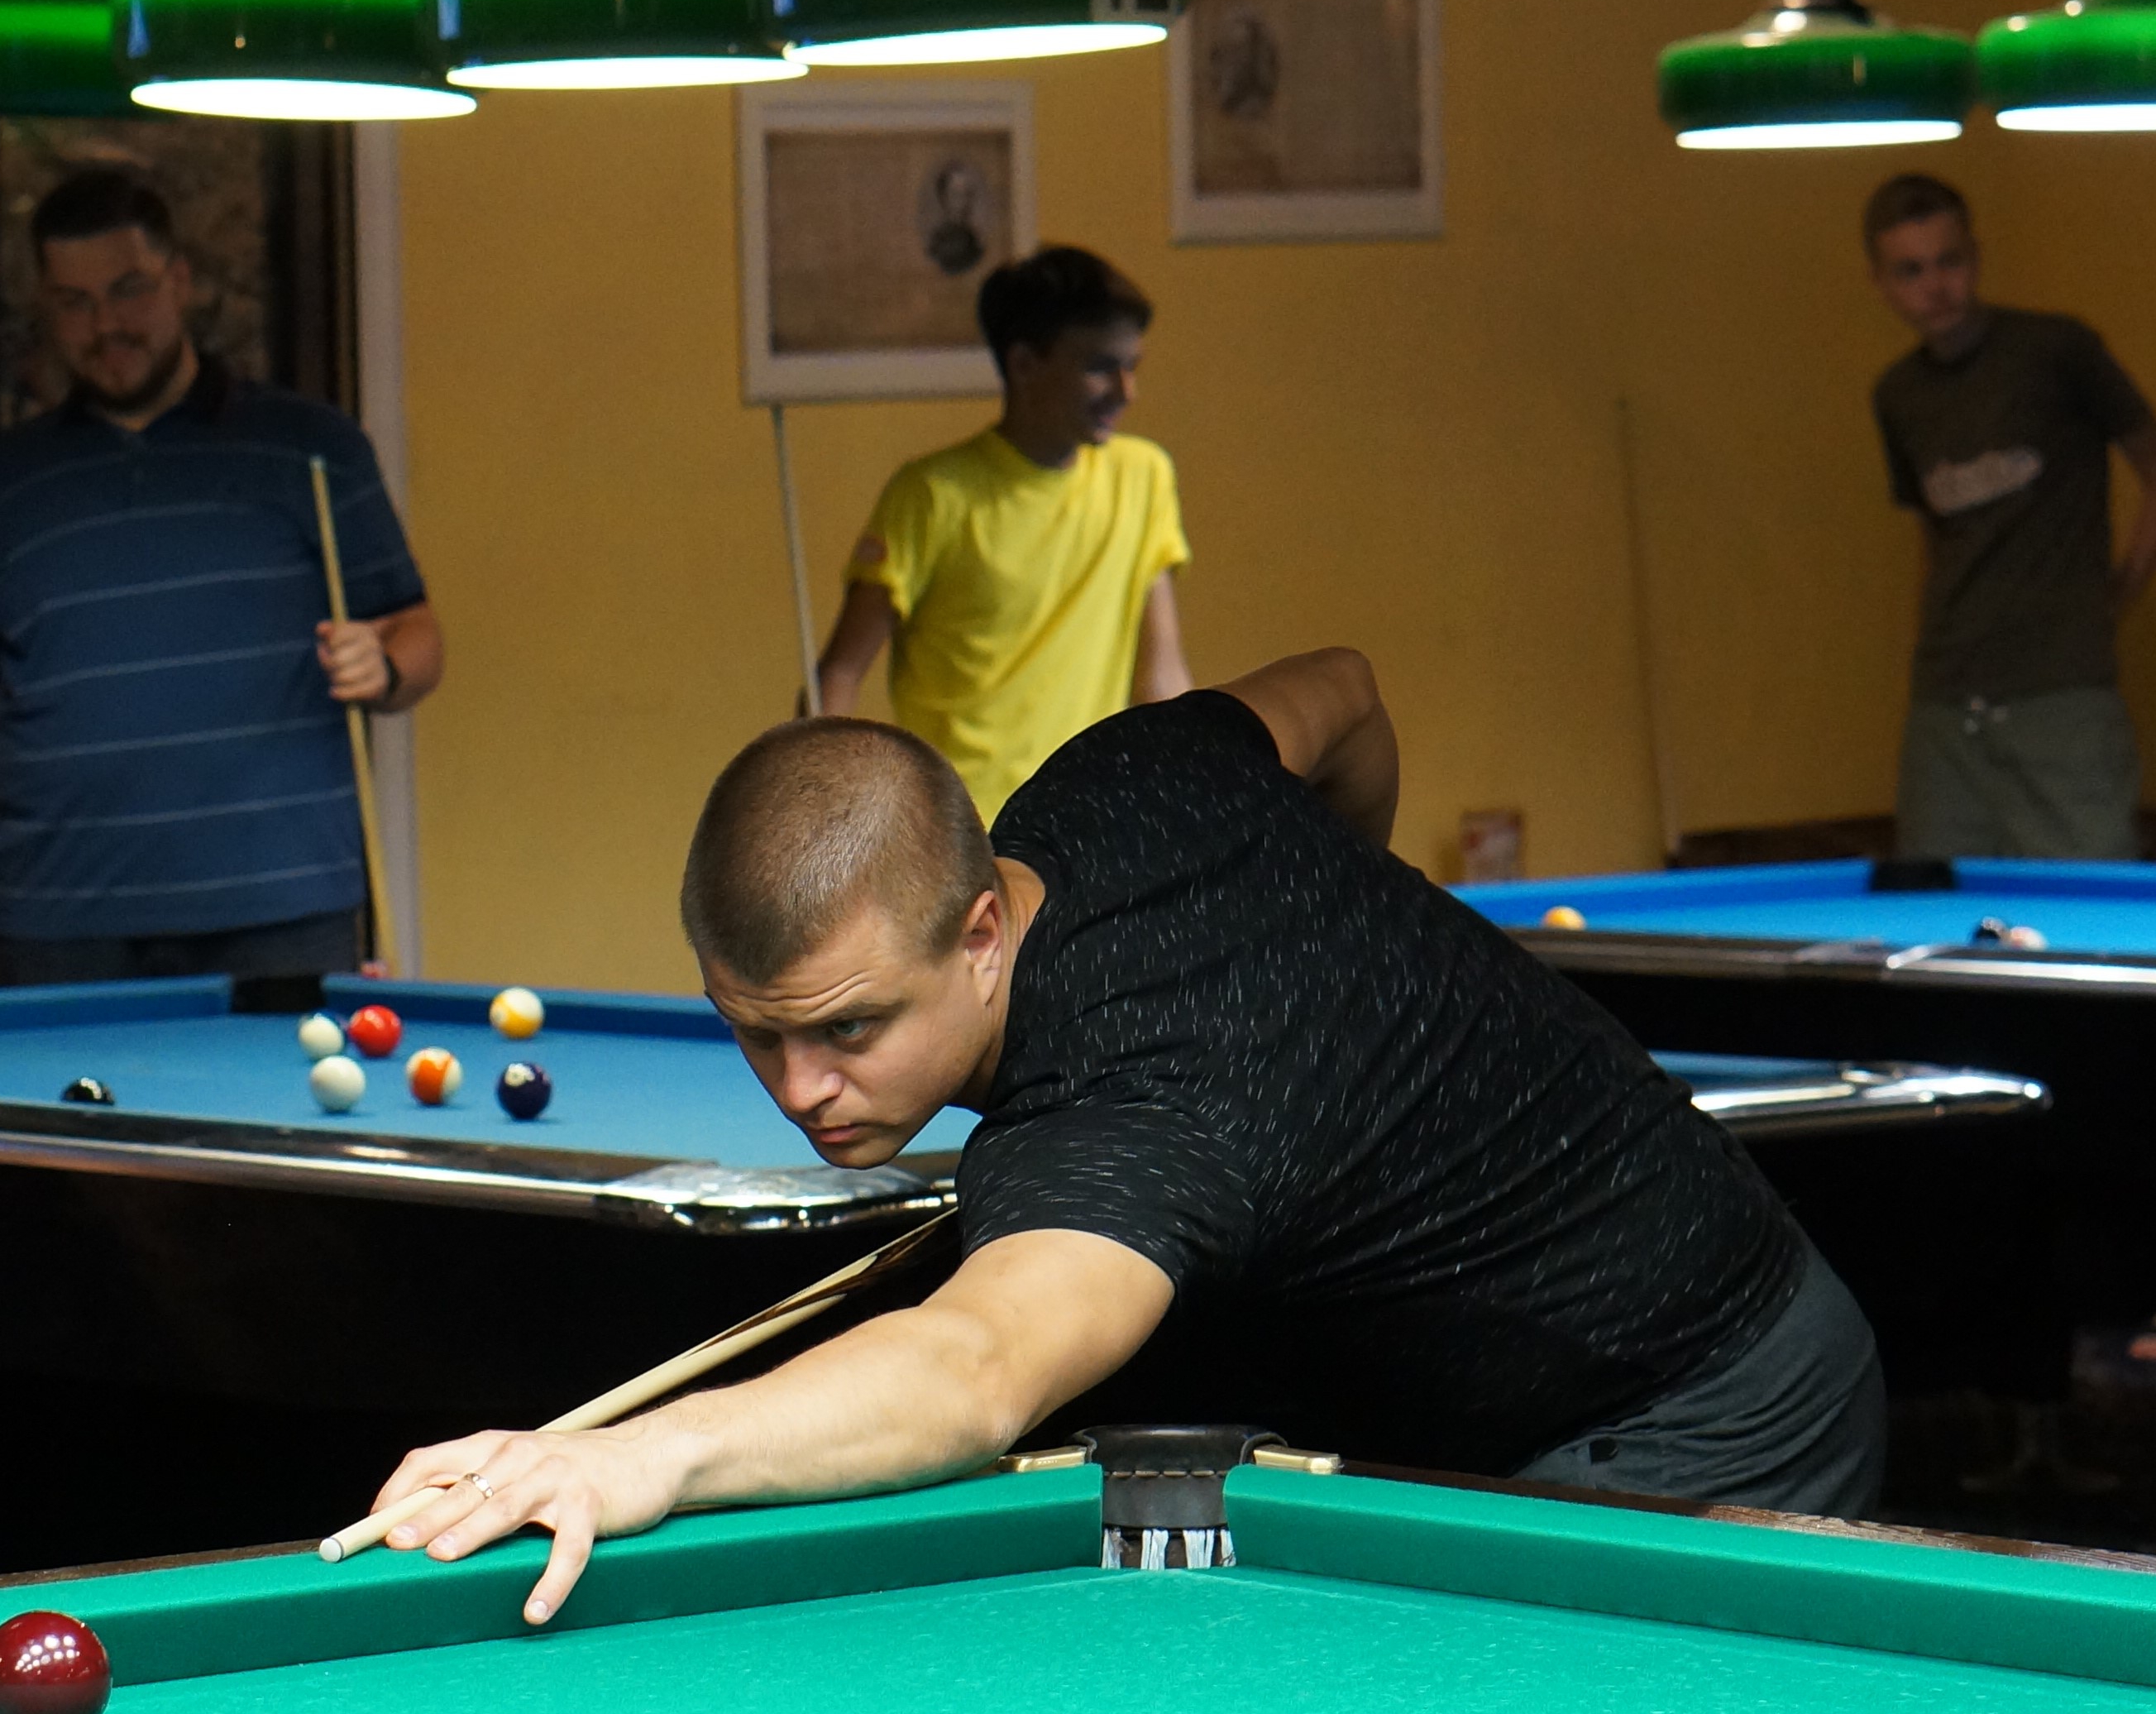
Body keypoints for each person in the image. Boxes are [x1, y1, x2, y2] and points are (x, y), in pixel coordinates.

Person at [343, 658, 1886, 1625]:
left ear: (981, 929)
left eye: (853, 1027)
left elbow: (971, 1372)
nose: (800, 1090)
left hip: (1703, 1395)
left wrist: (637, 1454)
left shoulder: (1123, 1121)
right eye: (755, 1031)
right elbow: (1345, 694)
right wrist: (1344, 933)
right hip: (1556, 1344)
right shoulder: (1131, 769)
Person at [0, 169, 441, 989]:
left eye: (129, 290)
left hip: (278, 909)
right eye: (73, 302)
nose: (105, 324)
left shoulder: (311, 448)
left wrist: (383, 665)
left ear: (179, 282)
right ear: (44, 308)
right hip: (60, 919)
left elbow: (417, 634)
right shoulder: (7, 481)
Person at [1862, 175, 2156, 860]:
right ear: (1882, 284)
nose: (1935, 288)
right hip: (1946, 706)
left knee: (2091, 901)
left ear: (1975, 257)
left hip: (2061, 695)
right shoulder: (1897, 395)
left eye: (1949, 262)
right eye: (1910, 272)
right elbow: (1933, 536)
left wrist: (2117, 596)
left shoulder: (2056, 351)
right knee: (1939, 902)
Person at [813, 246, 1192, 819]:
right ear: (1024, 364)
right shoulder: (932, 494)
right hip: (958, 829)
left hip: (1086, 825)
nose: (1126, 390)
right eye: (1098, 367)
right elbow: (839, 675)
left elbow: (1161, 677)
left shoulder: (1144, 477)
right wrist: (826, 804)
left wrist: (1192, 800)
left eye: (1132, 366)